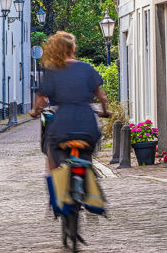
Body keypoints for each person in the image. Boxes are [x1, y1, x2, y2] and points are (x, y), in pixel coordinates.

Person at [29, 31, 110, 171]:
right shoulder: (86, 68)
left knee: (51, 154)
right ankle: (88, 182)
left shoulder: (53, 71)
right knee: (86, 153)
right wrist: (104, 111)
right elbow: (102, 97)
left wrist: (35, 111)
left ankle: (55, 190)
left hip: (63, 124)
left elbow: (40, 99)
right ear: (72, 49)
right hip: (87, 122)